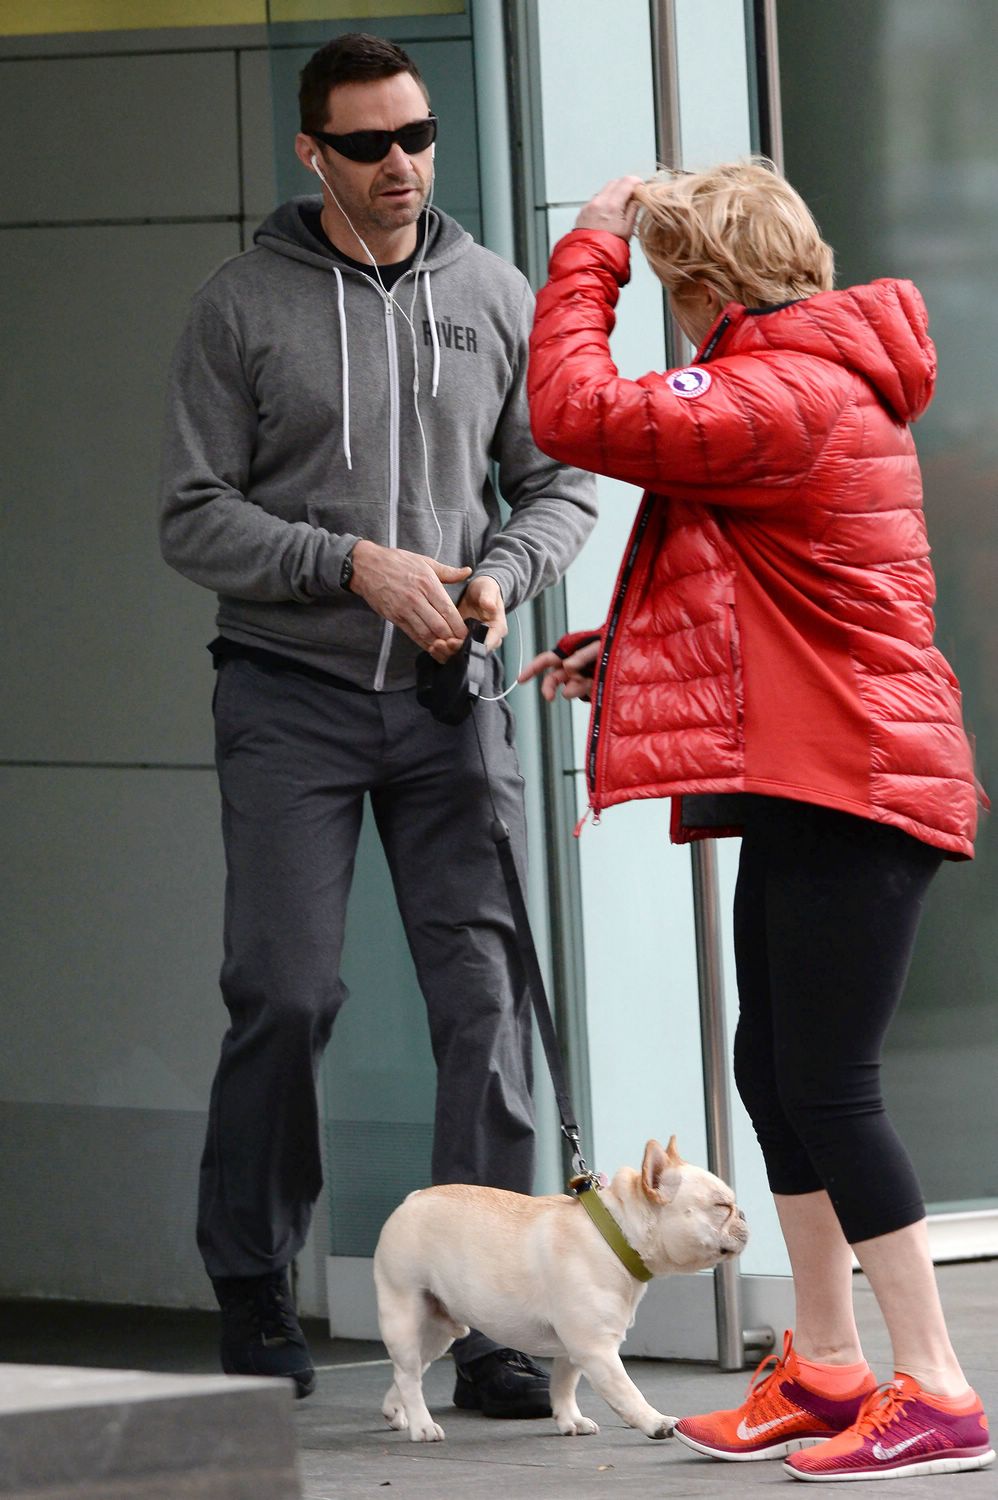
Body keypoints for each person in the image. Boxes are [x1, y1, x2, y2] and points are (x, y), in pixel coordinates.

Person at [521, 161, 993, 1482]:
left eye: (671, 286)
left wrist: (592, 250)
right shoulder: (793, 384)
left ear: (704, 286)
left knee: (830, 1088)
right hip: (815, 775)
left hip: (857, 780)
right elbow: (776, 582)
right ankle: (831, 1371)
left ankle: (941, 1391)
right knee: (775, 1072)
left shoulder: (776, 387)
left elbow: (570, 408)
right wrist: (623, 646)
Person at [158, 32, 596, 1410]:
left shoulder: (492, 291)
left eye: (414, 137)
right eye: (367, 145)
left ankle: (493, 1326)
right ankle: (252, 1276)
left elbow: (558, 484)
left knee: (485, 1006)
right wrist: (348, 563)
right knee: (288, 992)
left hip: (447, 699)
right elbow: (191, 513)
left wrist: (498, 580)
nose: (400, 165)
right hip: (287, 694)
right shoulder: (238, 305)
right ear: (312, 153)